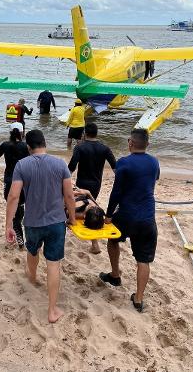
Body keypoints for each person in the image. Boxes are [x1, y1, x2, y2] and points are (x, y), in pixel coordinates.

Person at [5, 129, 76, 324]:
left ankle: (33, 277)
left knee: (33, 250)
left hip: (32, 222)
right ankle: (52, 310)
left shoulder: (22, 165)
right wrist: (72, 218)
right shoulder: (60, 163)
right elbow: (69, 195)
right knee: (53, 264)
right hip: (56, 222)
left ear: (28, 147)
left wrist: (9, 224)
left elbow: (13, 196)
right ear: (45, 143)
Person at [99, 128, 159, 313]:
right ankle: (139, 299)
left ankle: (115, 275)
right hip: (148, 217)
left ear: (130, 143)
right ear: (147, 144)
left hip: (126, 215)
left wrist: (108, 215)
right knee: (143, 260)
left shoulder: (124, 163)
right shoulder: (154, 162)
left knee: (113, 239)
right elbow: (153, 180)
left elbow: (116, 192)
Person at [68, 122, 116, 253]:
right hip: (96, 184)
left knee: (83, 208)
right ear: (97, 133)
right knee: (91, 208)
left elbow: (71, 166)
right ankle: (94, 244)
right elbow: (115, 167)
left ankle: (95, 244)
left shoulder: (80, 147)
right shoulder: (104, 148)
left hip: (82, 183)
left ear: (84, 133)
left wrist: (66, 182)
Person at [0, 122, 28, 248]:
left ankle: (17, 233)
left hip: (9, 182)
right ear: (22, 133)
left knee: (12, 208)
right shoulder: (26, 146)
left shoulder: (5, 145)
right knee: (19, 208)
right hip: (22, 183)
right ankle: (19, 235)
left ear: (10, 133)